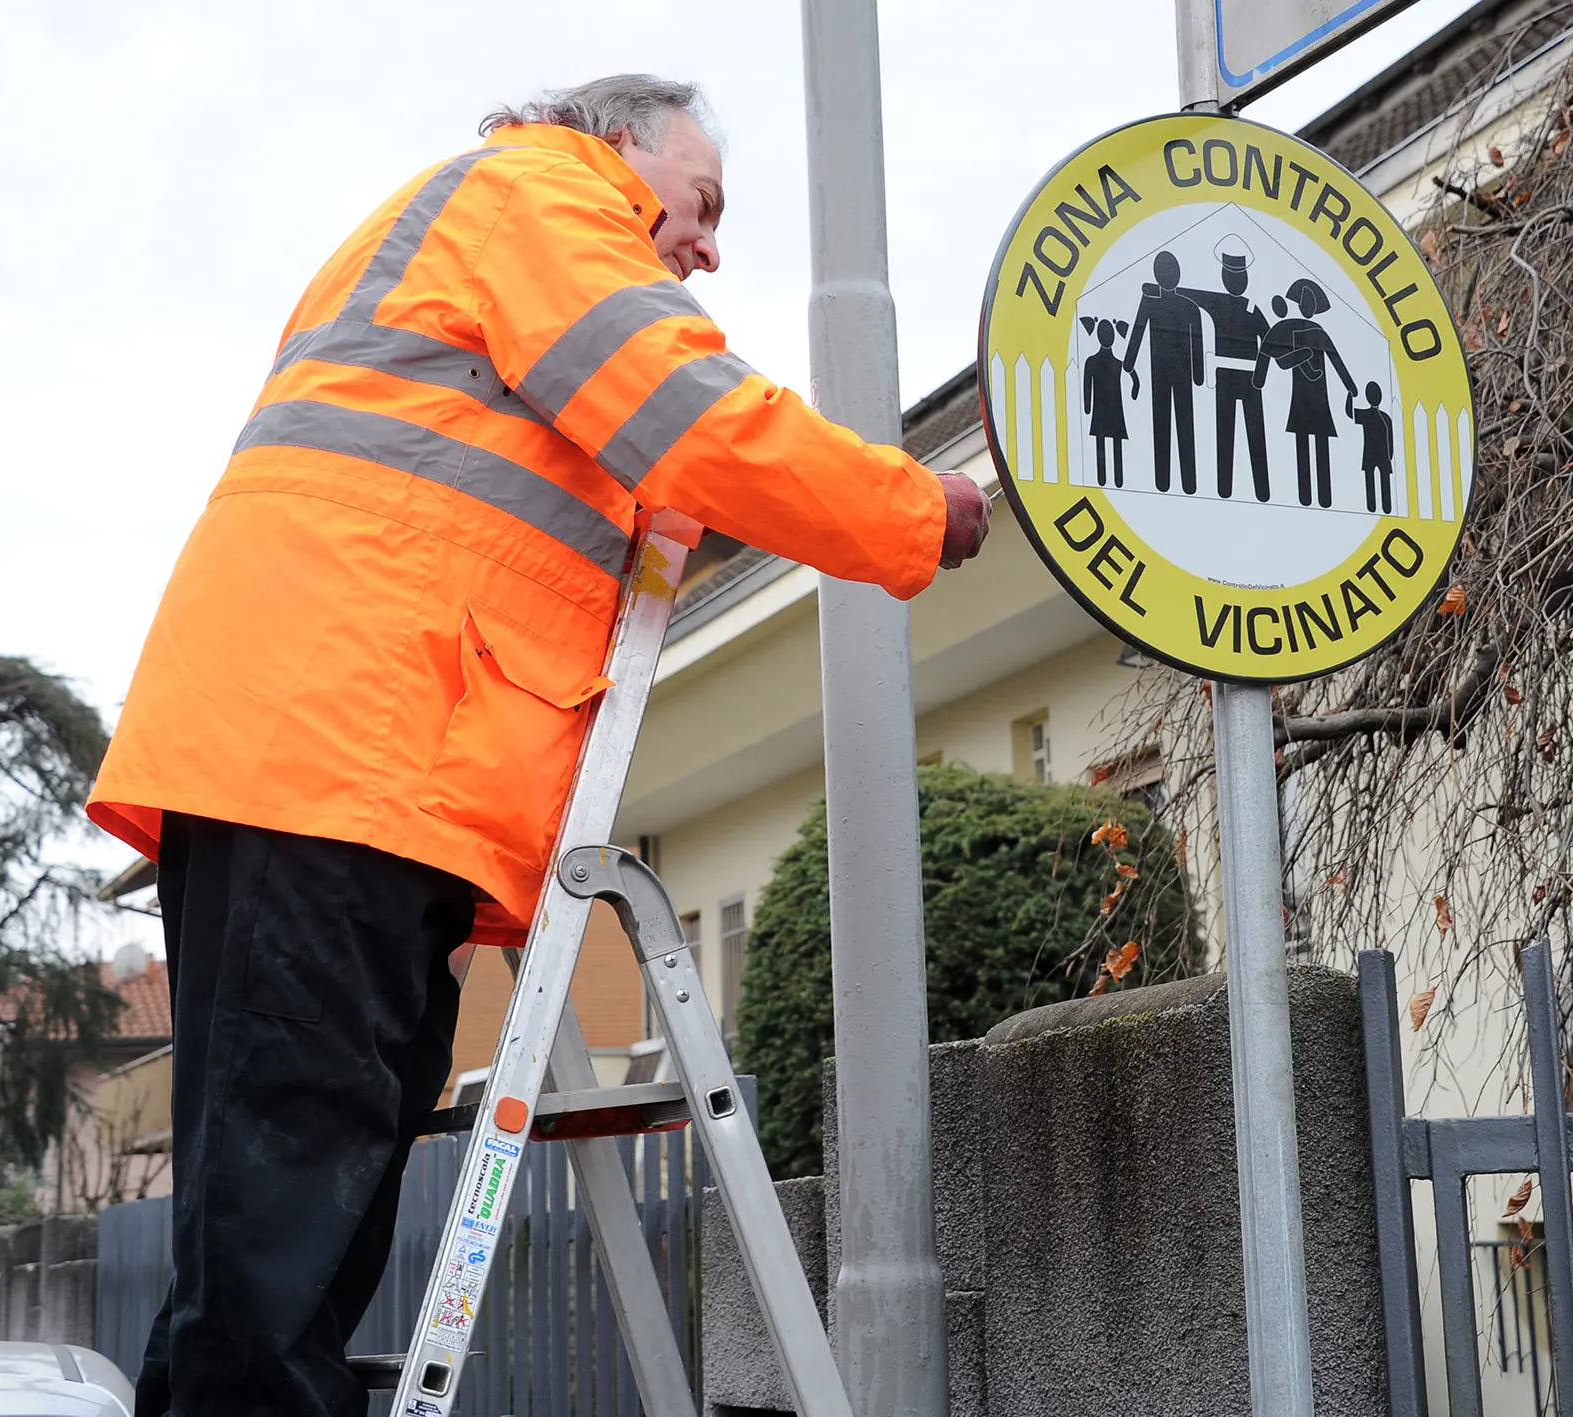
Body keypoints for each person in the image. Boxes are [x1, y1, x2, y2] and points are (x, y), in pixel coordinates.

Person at [85, 76, 989, 1417]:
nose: (708, 244)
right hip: (346, 759)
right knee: (277, 1246)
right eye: (702, 200)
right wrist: (912, 509)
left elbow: (628, 467)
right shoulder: (542, 196)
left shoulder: (482, 238)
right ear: (621, 147)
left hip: (345, 767)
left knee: (275, 1234)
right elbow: (692, 416)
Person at [1180, 238, 1272, 500]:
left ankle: (1260, 491)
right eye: (1232, 275)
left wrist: (1263, 372)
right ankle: (1225, 490)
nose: (1236, 280)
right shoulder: (1219, 302)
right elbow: (1191, 294)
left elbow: (1270, 340)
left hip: (1248, 377)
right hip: (1227, 376)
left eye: (1238, 275)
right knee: (1226, 432)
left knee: (1252, 433)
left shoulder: (1250, 307)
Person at [1261, 279, 1358, 508]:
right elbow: (1272, 355)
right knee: (1304, 443)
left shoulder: (1315, 331)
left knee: (1317, 444)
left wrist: (1350, 387)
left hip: (1318, 398)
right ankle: (1308, 497)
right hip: (1302, 397)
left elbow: (1336, 360)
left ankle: (1321, 498)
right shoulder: (1288, 328)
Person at [1122, 251, 1205, 494]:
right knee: (1177, 423)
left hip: (1169, 373)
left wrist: (1128, 363)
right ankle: (1177, 483)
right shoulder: (1185, 306)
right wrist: (1199, 374)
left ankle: (1173, 482)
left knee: (1171, 423)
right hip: (1169, 373)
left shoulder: (1159, 303)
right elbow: (1138, 333)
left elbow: (1196, 341)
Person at [1080, 316, 1138, 487]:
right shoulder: (1098, 361)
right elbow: (1087, 384)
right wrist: (1087, 406)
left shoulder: (1114, 362)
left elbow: (1134, 376)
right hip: (1107, 408)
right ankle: (1106, 480)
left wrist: (1087, 406)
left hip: (1112, 408)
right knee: (1104, 443)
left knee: (1111, 443)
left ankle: (1115, 480)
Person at [1349, 382, 1398, 513]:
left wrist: (1390, 455)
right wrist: (1349, 396)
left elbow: (1390, 437)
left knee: (1382, 481)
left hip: (1379, 456)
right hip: (1373, 455)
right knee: (1372, 480)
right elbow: (1350, 414)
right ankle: (1372, 507)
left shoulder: (1384, 417)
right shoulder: (1376, 416)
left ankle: (1385, 508)